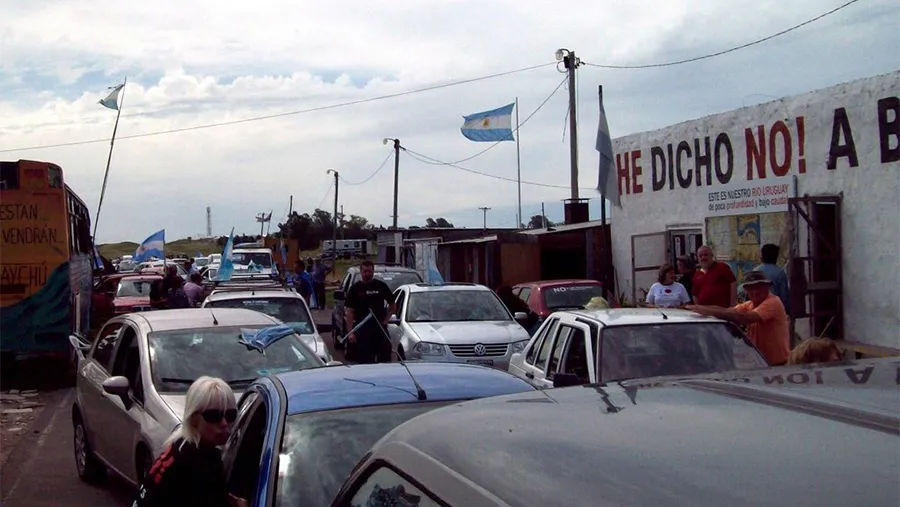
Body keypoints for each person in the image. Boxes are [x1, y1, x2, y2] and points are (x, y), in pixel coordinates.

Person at [133, 376, 248, 507]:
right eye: (213, 416)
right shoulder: (201, 463)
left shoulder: (181, 446)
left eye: (230, 415)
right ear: (193, 418)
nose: (224, 423)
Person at [687, 270, 791, 366]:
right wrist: (699, 308)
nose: (755, 291)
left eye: (759, 287)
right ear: (746, 290)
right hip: (761, 363)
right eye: (751, 288)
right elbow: (728, 311)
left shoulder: (773, 302)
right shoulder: (750, 304)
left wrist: (708, 311)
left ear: (767, 287)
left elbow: (743, 318)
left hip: (777, 364)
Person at [345, 260, 396, 364]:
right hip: (362, 331)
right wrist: (350, 333)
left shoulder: (381, 286)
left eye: (369, 271)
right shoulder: (355, 289)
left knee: (386, 358)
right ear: (361, 271)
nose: (367, 274)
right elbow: (350, 312)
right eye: (365, 271)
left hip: (380, 329)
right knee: (365, 361)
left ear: (373, 271)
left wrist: (386, 321)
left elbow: (393, 305)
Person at [756, 243, 790, 315]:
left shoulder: (755, 272)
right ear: (776, 257)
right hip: (775, 311)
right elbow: (784, 297)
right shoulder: (780, 273)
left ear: (762, 257)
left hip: (757, 312)